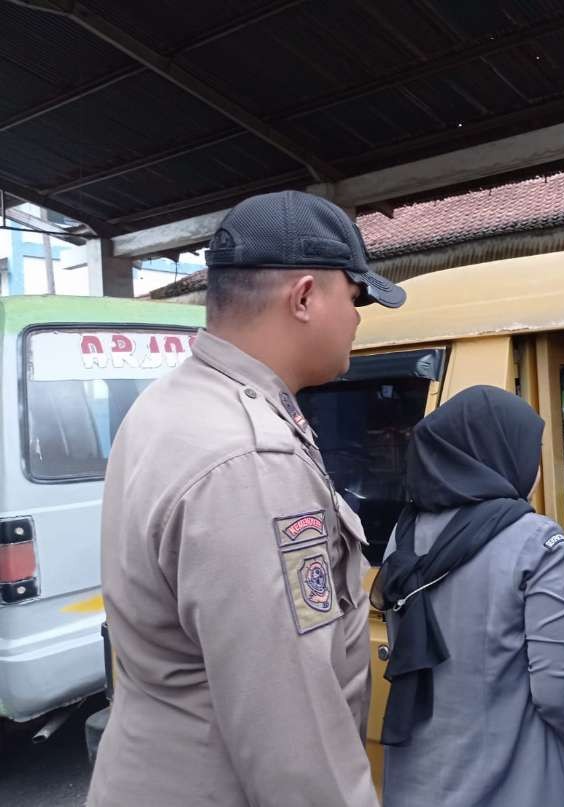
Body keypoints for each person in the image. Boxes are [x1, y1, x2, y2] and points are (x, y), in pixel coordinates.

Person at [87, 190, 405, 807]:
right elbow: (296, 746)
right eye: (356, 296)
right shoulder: (252, 461)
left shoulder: (172, 403)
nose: (361, 317)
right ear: (306, 297)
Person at [375, 385, 564, 807]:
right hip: (510, 784)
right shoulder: (536, 540)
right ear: (499, 454)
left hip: (419, 784)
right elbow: (560, 688)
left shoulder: (403, 534)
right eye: (531, 450)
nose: (537, 466)